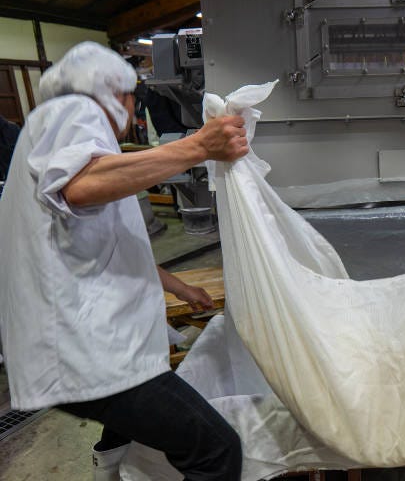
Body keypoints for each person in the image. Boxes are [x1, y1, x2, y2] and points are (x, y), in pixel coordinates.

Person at [0, 41, 248, 480]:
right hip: (87, 350)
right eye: (134, 97)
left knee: (132, 423)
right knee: (215, 448)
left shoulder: (50, 124)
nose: (135, 113)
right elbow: (79, 186)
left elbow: (97, 240)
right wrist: (197, 147)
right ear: (113, 92)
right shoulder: (75, 112)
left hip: (82, 344)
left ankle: (109, 470)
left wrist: (179, 287)